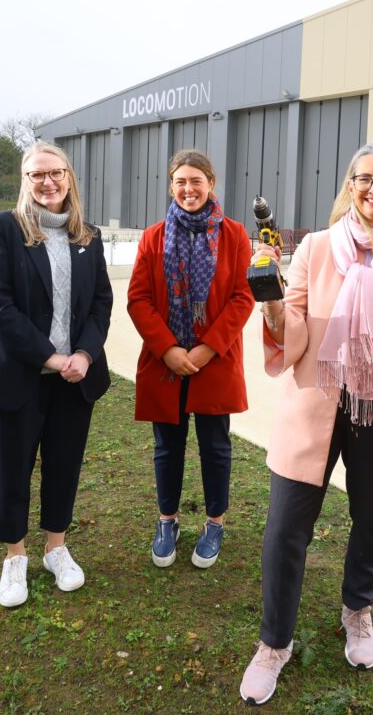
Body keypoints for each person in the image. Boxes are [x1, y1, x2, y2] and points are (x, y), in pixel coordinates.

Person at [239, 142, 373, 707]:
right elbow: (292, 326)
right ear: (348, 185)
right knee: (284, 530)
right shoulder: (316, 249)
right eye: (363, 178)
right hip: (316, 402)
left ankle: (357, 610)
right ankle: (274, 643)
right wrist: (271, 308)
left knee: (371, 521)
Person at [0, 141, 113, 608]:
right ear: (25, 181)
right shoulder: (3, 229)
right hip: (18, 376)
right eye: (37, 174)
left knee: (64, 466)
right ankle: (15, 558)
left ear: (69, 177)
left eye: (56, 173)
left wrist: (84, 355)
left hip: (73, 379)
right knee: (13, 470)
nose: (48, 182)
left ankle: (56, 549)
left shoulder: (87, 235)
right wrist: (50, 357)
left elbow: (100, 303)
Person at [126, 149, 254, 570]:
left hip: (213, 361)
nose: (188, 189)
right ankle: (168, 520)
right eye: (180, 181)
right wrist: (168, 349)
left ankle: (214, 521)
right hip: (166, 363)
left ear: (211, 184)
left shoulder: (235, 235)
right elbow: (139, 299)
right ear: (171, 186)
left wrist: (205, 348)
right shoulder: (154, 236)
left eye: (196, 181)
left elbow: (242, 296)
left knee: (215, 446)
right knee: (168, 447)